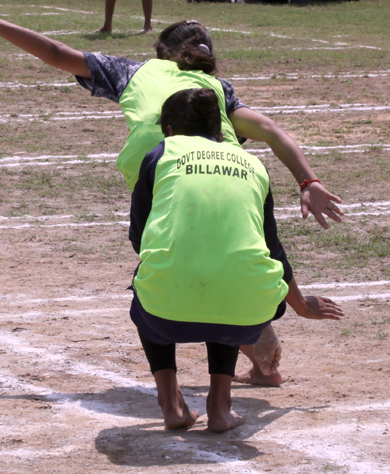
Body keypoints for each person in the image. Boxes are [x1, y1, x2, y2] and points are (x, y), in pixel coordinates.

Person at [0, 0, 345, 381]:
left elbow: (56, 53)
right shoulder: (216, 88)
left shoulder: (135, 72)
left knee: (178, 261)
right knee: (234, 249)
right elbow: (271, 129)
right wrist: (308, 182)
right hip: (234, 175)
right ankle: (258, 348)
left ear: (161, 52)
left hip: (165, 180)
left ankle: (232, 355)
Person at [129, 88, 344, 431]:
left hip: (164, 312)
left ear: (168, 129)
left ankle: (170, 403)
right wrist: (301, 304)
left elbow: (138, 236)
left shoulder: (161, 153)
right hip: (246, 313)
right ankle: (220, 406)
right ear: (221, 131)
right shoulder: (253, 164)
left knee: (154, 279)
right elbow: (271, 245)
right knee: (228, 283)